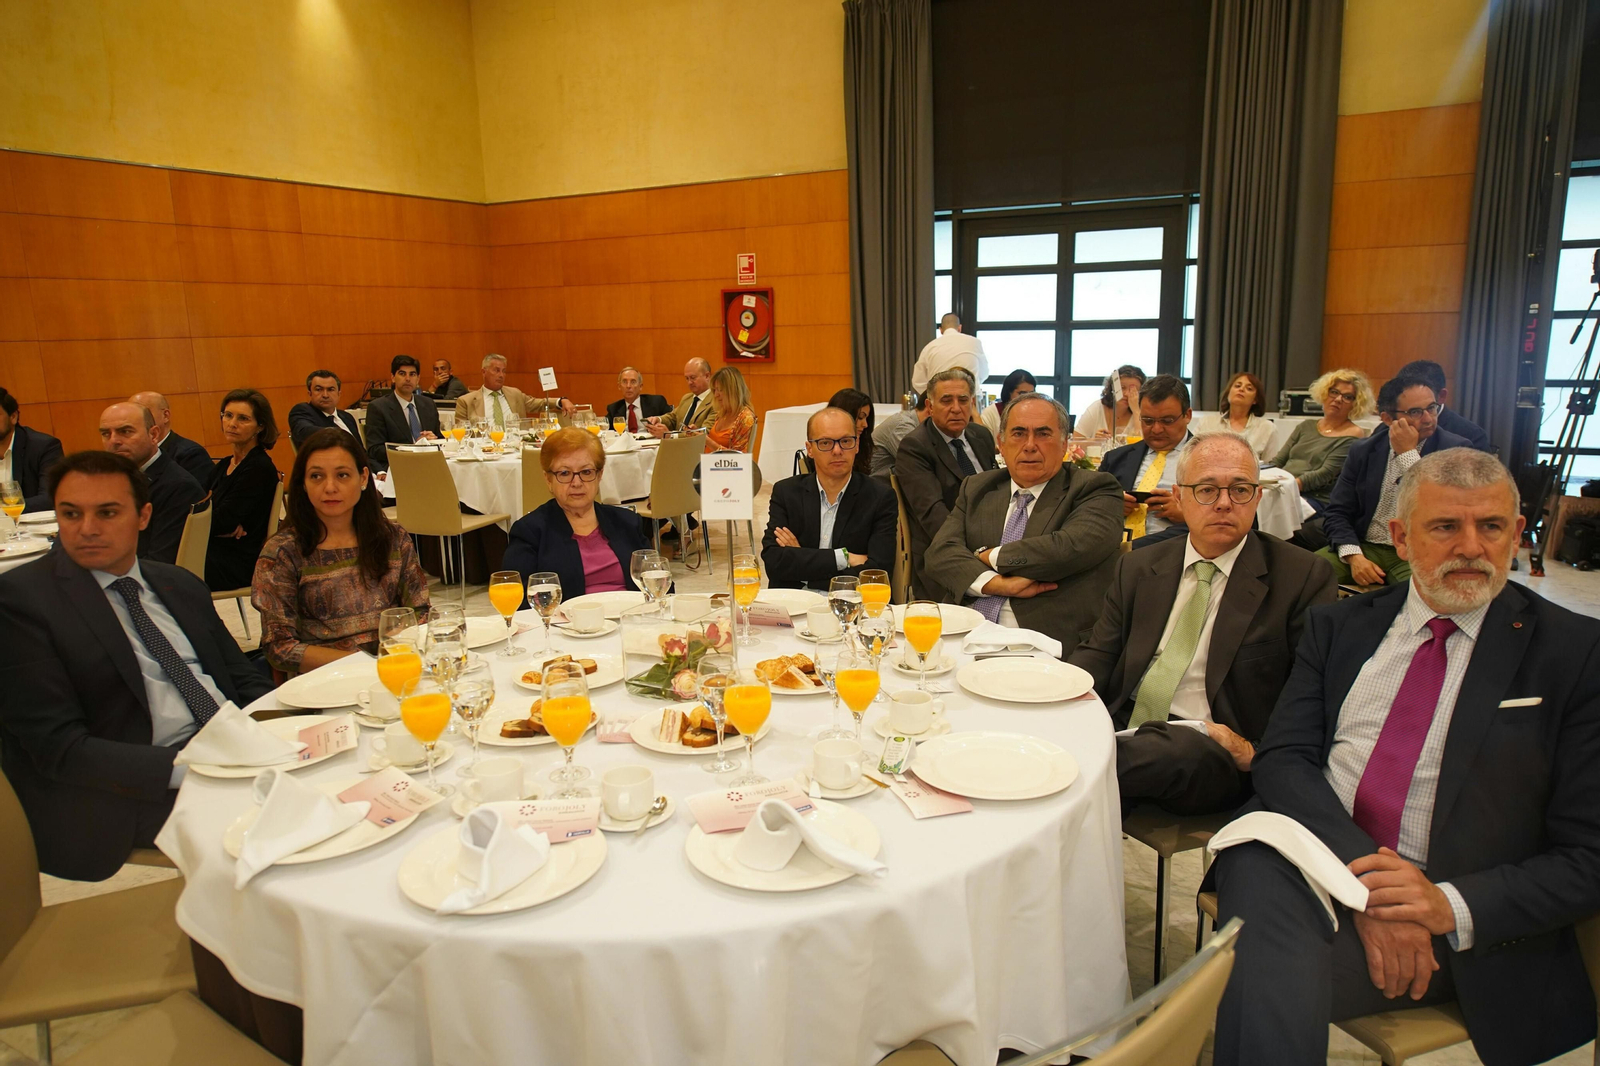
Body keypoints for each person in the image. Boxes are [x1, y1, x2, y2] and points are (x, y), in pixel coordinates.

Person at [1210, 449, 1600, 1066]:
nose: (1471, 547)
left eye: (1491, 526)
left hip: (1456, 909)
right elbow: (1284, 760)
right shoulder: (1341, 627)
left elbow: (1589, 856)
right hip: (1321, 857)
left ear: (1517, 532)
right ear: (1400, 537)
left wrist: (1442, 904)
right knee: (1255, 858)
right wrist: (1371, 885)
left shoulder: (1575, 653)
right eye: (1445, 526)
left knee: (1253, 967)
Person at [0, 450, 272, 881]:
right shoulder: (21, 601)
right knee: (279, 839)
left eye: (107, 513)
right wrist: (197, 768)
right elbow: (59, 748)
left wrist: (286, 731)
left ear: (143, 516)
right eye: (71, 514)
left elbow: (240, 678)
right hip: (133, 785)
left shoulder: (177, 583)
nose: (87, 528)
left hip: (230, 749)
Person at [1070, 433, 1337, 815]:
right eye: (1207, 490)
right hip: (1125, 723)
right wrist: (1055, 696)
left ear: (1258, 498)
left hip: (1212, 745)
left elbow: (1311, 692)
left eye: (1240, 490)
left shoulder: (1301, 576)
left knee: (1173, 751)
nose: (1224, 503)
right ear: (1179, 497)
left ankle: (1069, 765)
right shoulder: (1139, 565)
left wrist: (1254, 752)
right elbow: (1099, 654)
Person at [926, 394, 1123, 656]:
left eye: (1043, 434)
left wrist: (990, 556)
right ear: (1001, 444)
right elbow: (940, 553)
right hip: (963, 635)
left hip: (1045, 643)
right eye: (1018, 434)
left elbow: (1066, 548)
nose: (1030, 445)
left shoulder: (1094, 488)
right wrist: (995, 584)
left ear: (1064, 444)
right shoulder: (978, 488)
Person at [253, 428, 429, 675]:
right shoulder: (283, 552)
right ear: (303, 483)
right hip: (324, 678)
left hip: (393, 668)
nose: (330, 487)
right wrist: (362, 665)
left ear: (364, 478)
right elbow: (280, 647)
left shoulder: (393, 539)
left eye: (342, 475)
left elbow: (420, 613)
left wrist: (390, 657)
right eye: (316, 476)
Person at [1317, 376, 1476, 587]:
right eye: (1416, 412)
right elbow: (1337, 511)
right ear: (1387, 419)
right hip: (1364, 546)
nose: (1428, 418)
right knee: (1306, 575)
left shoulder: (1456, 450)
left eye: (1432, 408)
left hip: (1419, 552)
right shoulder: (1364, 450)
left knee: (1427, 591)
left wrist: (1408, 455)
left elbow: (1446, 508)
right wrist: (1353, 557)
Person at [762, 406, 898, 590]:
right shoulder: (786, 492)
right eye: (825, 443)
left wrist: (804, 567)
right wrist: (844, 557)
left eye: (846, 441)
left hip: (850, 601)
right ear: (810, 449)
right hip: (794, 601)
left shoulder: (880, 496)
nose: (837, 450)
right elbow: (774, 562)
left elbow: (877, 573)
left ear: (857, 445)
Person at [502, 429, 650, 596]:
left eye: (586, 472)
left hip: (630, 610)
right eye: (565, 473)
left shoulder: (628, 522)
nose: (577, 483)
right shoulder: (530, 532)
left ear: (599, 475)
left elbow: (657, 583)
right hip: (565, 613)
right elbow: (515, 597)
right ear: (548, 480)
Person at [895, 369, 998, 598]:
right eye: (946, 400)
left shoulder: (981, 436)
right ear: (930, 407)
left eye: (963, 400)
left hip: (996, 542)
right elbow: (934, 516)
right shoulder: (915, 447)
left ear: (972, 404)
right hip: (947, 556)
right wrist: (982, 550)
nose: (956, 408)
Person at [98, 401, 205, 565]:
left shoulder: (178, 487)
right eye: (106, 434)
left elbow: (160, 563)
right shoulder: (109, 480)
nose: (114, 441)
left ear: (153, 435)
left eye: (125, 432)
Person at [1101, 375, 1194, 549]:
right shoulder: (1115, 458)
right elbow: (1086, 507)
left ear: (1187, 415)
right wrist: (1111, 505)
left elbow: (1234, 520)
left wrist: (1188, 515)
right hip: (1109, 546)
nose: (1157, 429)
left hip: (1174, 549)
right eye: (1148, 421)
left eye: (1167, 421)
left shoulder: (1211, 460)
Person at [206, 389, 280, 592]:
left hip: (239, 562)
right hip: (217, 549)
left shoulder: (259, 467)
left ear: (260, 426)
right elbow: (200, 509)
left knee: (166, 565)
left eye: (243, 418)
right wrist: (218, 524)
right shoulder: (224, 465)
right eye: (228, 415)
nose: (232, 423)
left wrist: (219, 524)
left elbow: (220, 520)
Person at [1268, 369, 1372, 510]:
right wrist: (1262, 479)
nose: (1338, 399)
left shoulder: (1354, 435)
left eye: (1347, 397)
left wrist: (1284, 488)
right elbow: (1279, 461)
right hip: (1283, 488)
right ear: (1324, 393)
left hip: (1313, 499)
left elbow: (1324, 475)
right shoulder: (1306, 426)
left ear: (1356, 404)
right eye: (1334, 392)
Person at [364, 355, 440, 473]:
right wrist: (414, 448)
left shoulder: (428, 404)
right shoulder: (378, 407)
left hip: (430, 464)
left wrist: (433, 440)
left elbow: (440, 439)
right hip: (398, 468)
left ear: (418, 379)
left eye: (412, 374)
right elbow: (375, 449)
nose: (408, 379)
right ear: (393, 377)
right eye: (402, 374)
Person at [1395, 359, 1491, 451]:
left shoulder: (1472, 436)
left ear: (1441, 396)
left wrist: (1408, 453)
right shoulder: (1392, 426)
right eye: (1414, 412)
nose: (1427, 420)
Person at [454, 353, 568, 427]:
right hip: (484, 450)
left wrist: (560, 401)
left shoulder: (514, 394)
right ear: (484, 372)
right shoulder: (466, 401)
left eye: (504, 371)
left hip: (516, 446)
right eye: (496, 370)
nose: (501, 375)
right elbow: (461, 431)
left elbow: (539, 403)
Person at [129, 390, 213, 487]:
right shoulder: (131, 454)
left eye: (143, 413)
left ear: (165, 415)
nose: (134, 420)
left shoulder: (191, 454)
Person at [0, 386, 63, 512]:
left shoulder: (44, 446)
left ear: (13, 417)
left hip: (29, 522)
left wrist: (4, 508)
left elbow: (49, 498)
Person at [1192, 372, 1276, 458]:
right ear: (1228, 393)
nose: (1241, 389)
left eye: (1249, 388)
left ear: (1255, 400)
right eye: (1237, 386)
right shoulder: (1206, 422)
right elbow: (1189, 453)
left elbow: (1270, 464)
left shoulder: (1267, 428)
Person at [911, 313, 989, 395]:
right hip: (970, 398)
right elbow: (984, 373)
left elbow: (918, 381)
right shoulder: (975, 342)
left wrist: (933, 395)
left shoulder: (929, 347)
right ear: (959, 328)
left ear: (940, 330)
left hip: (941, 399)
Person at [287, 369, 361, 449]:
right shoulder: (302, 411)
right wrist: (338, 433)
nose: (325, 395)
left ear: (339, 394)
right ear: (310, 393)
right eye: (319, 389)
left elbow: (362, 451)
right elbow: (304, 431)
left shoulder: (347, 417)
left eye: (330, 389)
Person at [646, 358, 717, 437]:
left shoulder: (716, 402)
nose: (689, 382)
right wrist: (658, 419)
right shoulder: (687, 398)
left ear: (707, 376)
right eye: (687, 378)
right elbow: (673, 417)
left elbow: (705, 433)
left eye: (693, 377)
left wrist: (670, 436)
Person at [1074, 365, 1146, 440]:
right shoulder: (1097, 408)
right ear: (1113, 388)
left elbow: (1143, 443)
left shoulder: (1143, 412)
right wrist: (1095, 440)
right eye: (1122, 388)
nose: (1126, 394)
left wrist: (1136, 411)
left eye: (1133, 390)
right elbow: (1075, 441)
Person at [871, 390, 929, 479]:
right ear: (929, 409)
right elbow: (917, 464)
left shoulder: (915, 424)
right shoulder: (902, 426)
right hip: (877, 483)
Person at [704, 366, 755, 452]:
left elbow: (738, 456)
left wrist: (707, 441)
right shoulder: (722, 412)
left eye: (720, 390)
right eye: (715, 390)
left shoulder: (745, 418)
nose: (716, 395)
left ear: (733, 390)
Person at [827, 387, 875, 477]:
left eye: (866, 418)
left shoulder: (863, 443)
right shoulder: (823, 448)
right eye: (860, 417)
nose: (865, 424)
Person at [605, 366, 670, 431]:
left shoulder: (657, 402)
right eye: (624, 382)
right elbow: (606, 430)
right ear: (619, 386)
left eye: (633, 382)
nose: (628, 386)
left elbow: (671, 423)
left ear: (640, 386)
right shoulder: (614, 409)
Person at [979, 369, 1036, 437]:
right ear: (1009, 393)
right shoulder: (992, 413)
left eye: (1031, 394)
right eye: (1022, 394)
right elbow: (984, 441)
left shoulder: (1038, 414)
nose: (1027, 398)